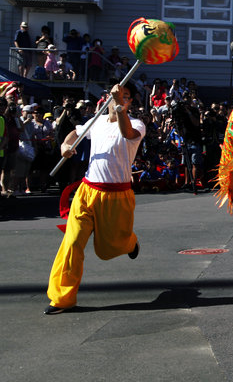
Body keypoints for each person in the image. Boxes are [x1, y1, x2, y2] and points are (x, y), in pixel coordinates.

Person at [44, 84, 146, 314]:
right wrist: (65, 145)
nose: (122, 100)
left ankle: (130, 242)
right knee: (72, 243)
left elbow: (126, 133)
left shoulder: (136, 124)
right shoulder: (97, 121)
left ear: (129, 102)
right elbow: (76, 132)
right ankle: (62, 298)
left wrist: (119, 105)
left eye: (127, 98)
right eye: (119, 96)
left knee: (108, 249)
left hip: (117, 196)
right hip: (87, 192)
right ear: (107, 98)